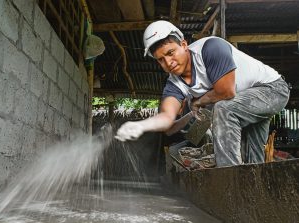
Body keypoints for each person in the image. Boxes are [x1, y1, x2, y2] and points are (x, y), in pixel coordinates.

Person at [115, 20, 290, 167]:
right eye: (161, 59)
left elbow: (226, 91)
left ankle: (230, 180)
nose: (168, 62)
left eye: (171, 53)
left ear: (183, 45)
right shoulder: (174, 83)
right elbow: (167, 119)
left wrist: (197, 102)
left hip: (272, 90)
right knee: (254, 160)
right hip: (245, 102)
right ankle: (252, 200)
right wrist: (142, 125)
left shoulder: (211, 48)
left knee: (223, 108)